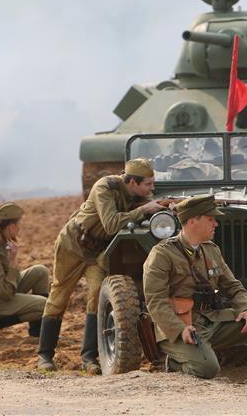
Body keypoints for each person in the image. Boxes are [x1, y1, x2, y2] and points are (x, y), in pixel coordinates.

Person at [142, 194, 247, 386]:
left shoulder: (211, 250)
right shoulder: (162, 254)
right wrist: (179, 329)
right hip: (180, 327)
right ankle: (176, 364)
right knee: (207, 369)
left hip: (210, 321)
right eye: (211, 219)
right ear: (193, 221)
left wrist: (245, 308)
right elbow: (155, 301)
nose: (216, 224)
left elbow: (233, 286)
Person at [38, 158, 165, 373]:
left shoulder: (138, 194)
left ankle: (89, 358)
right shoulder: (105, 187)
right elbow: (111, 223)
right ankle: (45, 356)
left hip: (97, 252)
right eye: (148, 184)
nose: (152, 188)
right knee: (59, 296)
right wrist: (144, 210)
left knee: (97, 297)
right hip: (73, 245)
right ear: (132, 182)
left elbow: (148, 206)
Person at [0, 202, 50, 337]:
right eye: (19, 224)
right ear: (12, 227)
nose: (20, 228)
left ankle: (37, 330)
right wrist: (12, 262)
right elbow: (6, 293)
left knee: (40, 272)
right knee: (44, 306)